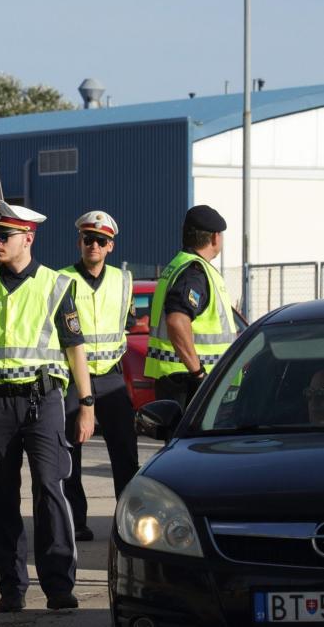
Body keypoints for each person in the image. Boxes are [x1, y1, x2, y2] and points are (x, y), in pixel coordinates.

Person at [0, 200, 95, 613]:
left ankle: (59, 585)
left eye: (4, 236)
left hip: (43, 400)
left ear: (28, 238)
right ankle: (11, 586)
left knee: (49, 489)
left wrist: (86, 404)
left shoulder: (56, 285)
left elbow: (75, 349)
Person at [58, 211, 139, 542]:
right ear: (79, 242)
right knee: (69, 456)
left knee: (125, 454)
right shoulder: (60, 279)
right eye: (88, 239)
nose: (94, 245)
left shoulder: (124, 281)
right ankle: (75, 522)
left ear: (110, 246)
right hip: (71, 379)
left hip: (110, 380)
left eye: (101, 241)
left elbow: (128, 323)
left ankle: (130, 522)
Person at [146, 205, 237, 409]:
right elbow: (177, 320)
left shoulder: (179, 265)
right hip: (193, 385)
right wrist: (198, 373)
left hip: (180, 380)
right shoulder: (195, 272)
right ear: (214, 238)